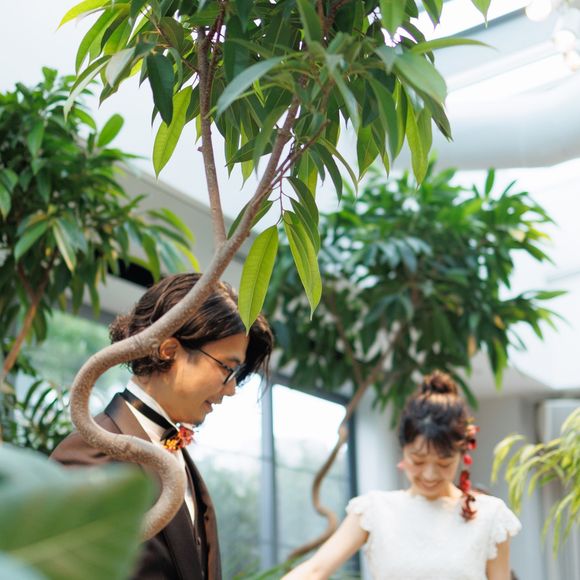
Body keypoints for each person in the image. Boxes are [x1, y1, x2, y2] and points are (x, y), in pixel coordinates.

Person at [51, 273, 273, 580]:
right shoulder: (92, 450)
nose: (232, 389)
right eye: (227, 368)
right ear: (168, 350)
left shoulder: (181, 457)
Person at [283, 371, 521, 580]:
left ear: (462, 454)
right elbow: (314, 571)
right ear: (403, 449)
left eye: (444, 463)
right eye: (418, 460)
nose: (429, 474)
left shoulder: (491, 516)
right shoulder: (374, 511)